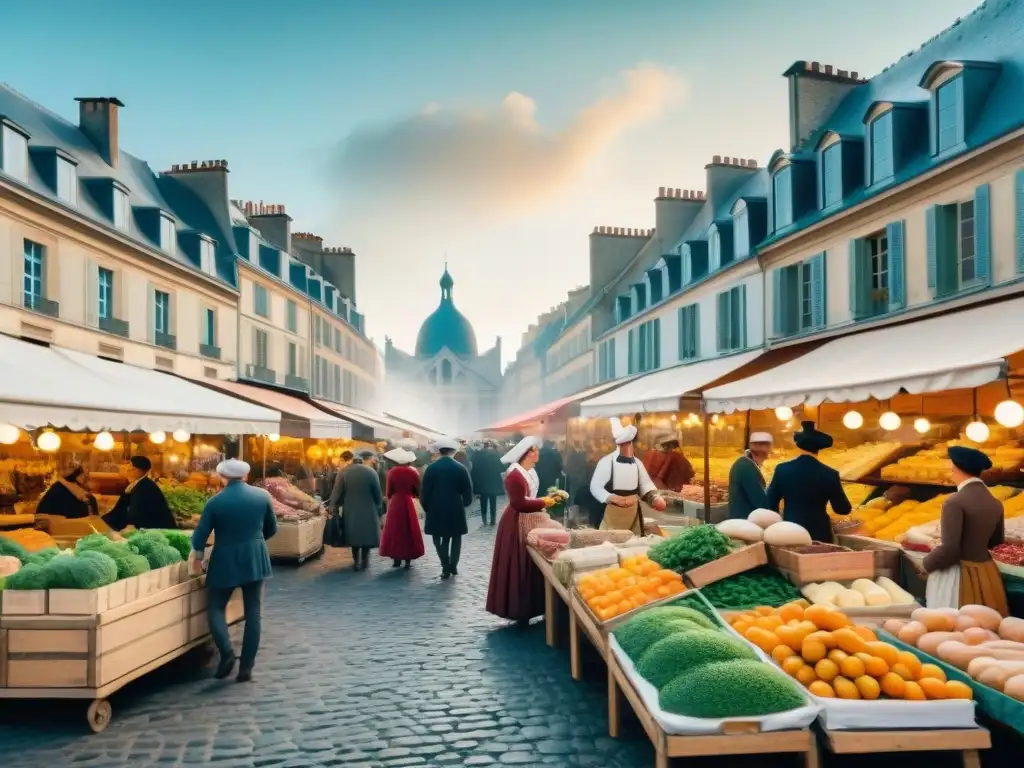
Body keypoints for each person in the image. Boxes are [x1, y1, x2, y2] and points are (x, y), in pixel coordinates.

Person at [189, 459, 277, 682]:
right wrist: (256, 541)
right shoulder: (262, 497)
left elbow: (199, 537)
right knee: (254, 614)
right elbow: (272, 528)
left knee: (216, 608)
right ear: (246, 475)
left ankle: (227, 653)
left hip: (225, 559)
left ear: (223, 477)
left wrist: (198, 558)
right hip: (255, 557)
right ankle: (246, 667)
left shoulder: (215, 502)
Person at [922, 446, 1008, 615]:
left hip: (959, 577)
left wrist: (926, 564)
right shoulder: (995, 503)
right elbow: (996, 541)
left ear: (955, 469)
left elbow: (950, 549)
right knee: (984, 627)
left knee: (955, 626)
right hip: (986, 574)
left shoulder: (954, 502)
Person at [486, 436, 559, 624]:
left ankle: (537, 604)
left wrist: (544, 499)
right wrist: (544, 501)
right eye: (535, 450)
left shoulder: (529, 472)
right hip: (518, 521)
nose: (538, 453)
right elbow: (518, 503)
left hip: (533, 517)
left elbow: (529, 498)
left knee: (537, 561)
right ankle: (521, 608)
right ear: (527, 454)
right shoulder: (514, 475)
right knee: (521, 561)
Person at [765, 421, 851, 543]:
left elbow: (770, 503)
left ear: (799, 445)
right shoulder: (830, 474)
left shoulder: (782, 469)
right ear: (819, 448)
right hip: (820, 534)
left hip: (789, 531)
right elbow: (842, 509)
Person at [590, 418, 667, 533]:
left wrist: (654, 498)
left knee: (634, 543)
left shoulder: (637, 463)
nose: (630, 447)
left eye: (630, 444)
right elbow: (595, 487)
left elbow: (645, 484)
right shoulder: (606, 462)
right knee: (612, 542)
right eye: (625, 444)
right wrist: (611, 497)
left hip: (633, 513)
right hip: (613, 513)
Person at [420, 436, 473, 579]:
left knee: (438, 538)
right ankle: (453, 565)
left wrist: (426, 507)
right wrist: (466, 503)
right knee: (455, 537)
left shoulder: (431, 468)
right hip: (455, 506)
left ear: (440, 452)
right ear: (453, 452)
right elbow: (467, 490)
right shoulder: (460, 468)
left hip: (435, 507)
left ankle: (445, 565)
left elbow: (424, 491)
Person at [329, 450, 383, 571]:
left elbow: (337, 492)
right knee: (367, 535)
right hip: (369, 508)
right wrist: (379, 510)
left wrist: (334, 507)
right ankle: (365, 560)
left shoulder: (344, 472)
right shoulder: (371, 472)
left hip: (351, 509)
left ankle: (356, 561)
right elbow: (377, 494)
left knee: (354, 535)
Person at [379, 447, 425, 569]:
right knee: (409, 529)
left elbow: (389, 491)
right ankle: (408, 559)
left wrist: (389, 497)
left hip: (396, 502)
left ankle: (396, 559)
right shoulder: (413, 472)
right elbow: (417, 490)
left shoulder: (392, 472)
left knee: (395, 529)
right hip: (409, 502)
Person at [103, 456, 176, 531]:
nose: (127, 470)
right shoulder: (137, 484)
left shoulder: (145, 487)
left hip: (155, 530)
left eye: (130, 468)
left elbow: (137, 513)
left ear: (137, 470)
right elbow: (121, 507)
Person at [728, 432, 774, 520]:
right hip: (745, 522)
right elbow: (761, 503)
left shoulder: (744, 463)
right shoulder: (746, 467)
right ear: (764, 450)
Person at [471, 440, 505, 525]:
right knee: (493, 501)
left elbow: (473, 468)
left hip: (482, 482)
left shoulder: (477, 455)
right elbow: (502, 468)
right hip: (493, 481)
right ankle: (493, 520)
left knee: (483, 500)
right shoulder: (496, 455)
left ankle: (484, 519)